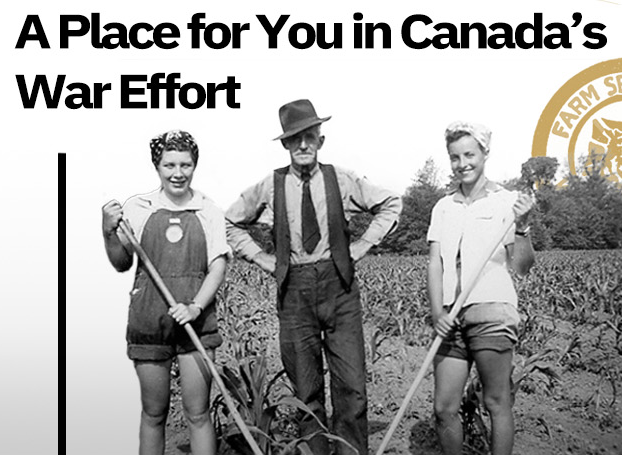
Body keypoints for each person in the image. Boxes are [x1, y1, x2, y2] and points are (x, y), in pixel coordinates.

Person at [224, 99, 402, 455]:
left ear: (321, 139)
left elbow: (391, 203)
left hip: (340, 289)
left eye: (309, 136)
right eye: (294, 139)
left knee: (352, 387)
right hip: (294, 293)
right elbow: (229, 221)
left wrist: (364, 244)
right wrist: (261, 257)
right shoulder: (270, 185)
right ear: (286, 145)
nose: (303, 145)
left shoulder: (343, 179)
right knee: (306, 391)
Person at [101, 130, 230, 455]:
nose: (177, 173)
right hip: (149, 322)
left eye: (185, 164)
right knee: (154, 413)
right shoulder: (138, 208)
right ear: (156, 166)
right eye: (169, 164)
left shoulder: (209, 210)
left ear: (194, 165)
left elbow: (217, 267)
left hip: (196, 325)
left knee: (198, 414)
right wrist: (108, 232)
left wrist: (196, 307)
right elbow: (121, 263)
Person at [426, 121, 535, 455]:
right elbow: (435, 263)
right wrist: (437, 312)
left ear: (485, 153)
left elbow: (522, 266)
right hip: (449, 319)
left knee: (496, 400)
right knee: (445, 408)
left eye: (469, 154)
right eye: (455, 157)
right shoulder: (444, 207)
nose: (463, 164)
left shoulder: (507, 202)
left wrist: (524, 227)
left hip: (492, 310)